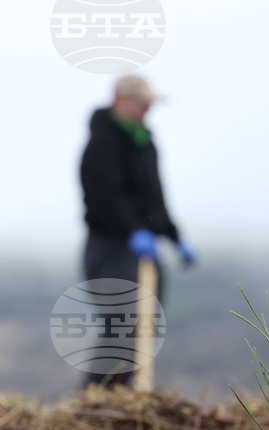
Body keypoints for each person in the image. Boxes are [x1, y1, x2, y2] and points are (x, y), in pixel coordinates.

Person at [79, 74, 194, 387]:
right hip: (109, 247)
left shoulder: (145, 143)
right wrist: (131, 231)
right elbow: (101, 198)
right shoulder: (102, 143)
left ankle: (130, 393)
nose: (146, 111)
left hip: (145, 250)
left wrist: (173, 235)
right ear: (121, 101)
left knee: (146, 321)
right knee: (122, 322)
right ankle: (97, 397)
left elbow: (154, 198)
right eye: (141, 104)